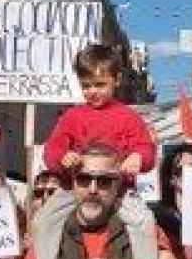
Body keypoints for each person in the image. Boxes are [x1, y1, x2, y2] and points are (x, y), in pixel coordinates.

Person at [19, 143, 191, 259]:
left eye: (104, 182)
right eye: (84, 179)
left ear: (118, 187)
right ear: (73, 183)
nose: (92, 189)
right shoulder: (52, 233)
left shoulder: (139, 229)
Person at [43, 44, 157, 183]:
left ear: (117, 80)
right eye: (86, 86)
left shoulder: (129, 117)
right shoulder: (71, 116)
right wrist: (62, 157)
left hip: (118, 190)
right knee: (51, 206)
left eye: (100, 84)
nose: (92, 91)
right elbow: (52, 148)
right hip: (77, 188)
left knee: (136, 206)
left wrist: (138, 157)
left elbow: (146, 148)